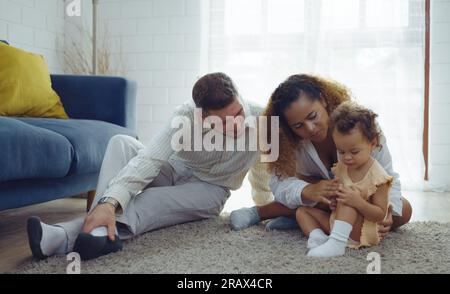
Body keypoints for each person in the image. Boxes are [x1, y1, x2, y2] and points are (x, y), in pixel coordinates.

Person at [26, 72, 272, 260]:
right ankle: (100, 222)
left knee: (152, 199)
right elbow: (151, 159)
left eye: (239, 113)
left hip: (211, 189)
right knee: (122, 143)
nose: (237, 125)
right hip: (174, 169)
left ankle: (63, 237)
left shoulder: (264, 119)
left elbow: (262, 170)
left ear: (240, 96)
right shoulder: (185, 116)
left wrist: (263, 208)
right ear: (202, 117)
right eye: (224, 123)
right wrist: (109, 202)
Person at [230, 74, 412, 241]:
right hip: (326, 198)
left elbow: (387, 176)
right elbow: (278, 183)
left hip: (359, 198)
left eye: (313, 116)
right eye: (298, 125)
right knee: (319, 196)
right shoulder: (286, 139)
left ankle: (300, 218)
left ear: (324, 100)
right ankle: (259, 213)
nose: (310, 128)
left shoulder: (362, 127)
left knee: (404, 210)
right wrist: (307, 190)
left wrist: (388, 210)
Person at [298, 101, 392, 257]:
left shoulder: (378, 177)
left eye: (354, 152)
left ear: (373, 143)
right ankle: (319, 239)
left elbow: (380, 215)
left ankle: (336, 244)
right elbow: (339, 201)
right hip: (339, 224)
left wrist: (357, 202)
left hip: (361, 231)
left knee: (350, 195)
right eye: (341, 151)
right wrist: (334, 201)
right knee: (302, 212)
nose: (347, 157)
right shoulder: (342, 168)